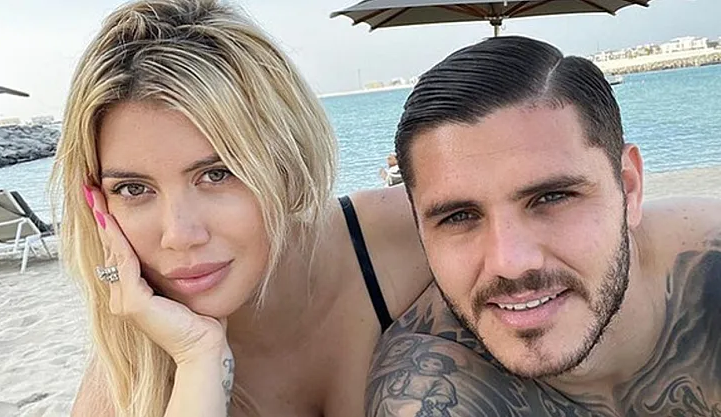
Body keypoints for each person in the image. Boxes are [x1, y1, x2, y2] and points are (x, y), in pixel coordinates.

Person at [49, 1, 433, 416]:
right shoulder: (128, 385)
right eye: (133, 188)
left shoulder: (418, 234)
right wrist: (198, 359)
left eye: (217, 174)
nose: (179, 235)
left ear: (287, 160)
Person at [367, 36, 721, 416]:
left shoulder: (707, 274)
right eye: (459, 217)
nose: (510, 262)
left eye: (552, 197)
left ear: (628, 188)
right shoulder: (429, 391)